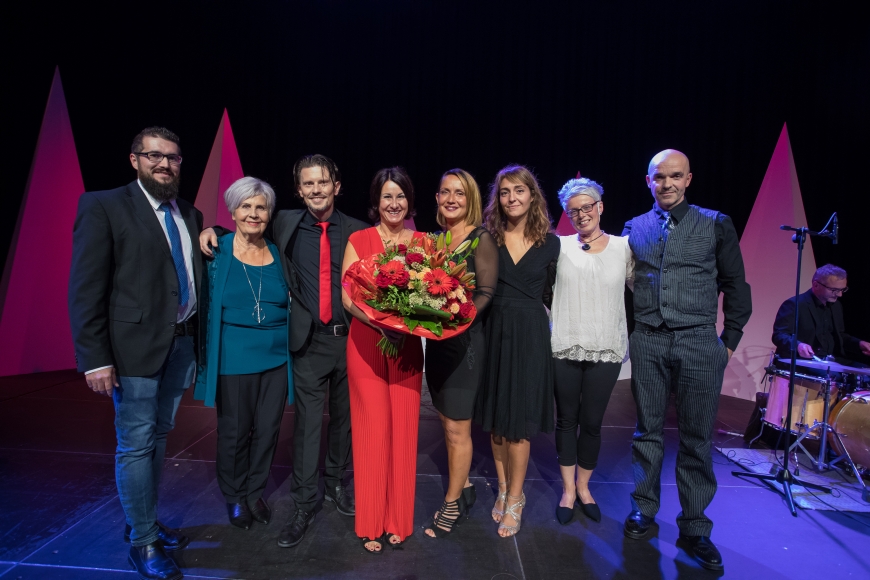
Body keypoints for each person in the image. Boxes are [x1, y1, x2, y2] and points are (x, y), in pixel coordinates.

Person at [200, 155, 366, 548]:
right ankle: (304, 502)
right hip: (308, 342)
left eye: (322, 182)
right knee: (306, 426)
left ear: (337, 186)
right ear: (298, 190)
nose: (316, 189)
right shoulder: (286, 222)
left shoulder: (359, 232)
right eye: (307, 184)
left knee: (343, 421)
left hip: (351, 339)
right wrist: (212, 229)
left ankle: (336, 486)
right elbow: (246, 225)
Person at [69, 127, 201, 580]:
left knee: (158, 438)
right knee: (136, 443)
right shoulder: (103, 205)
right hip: (132, 352)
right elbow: (85, 289)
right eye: (154, 156)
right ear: (134, 160)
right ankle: (143, 544)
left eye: (173, 157)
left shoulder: (190, 212)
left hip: (181, 345)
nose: (164, 164)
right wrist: (94, 358)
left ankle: (142, 522)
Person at [622, 149, 751, 572]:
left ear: (689, 179)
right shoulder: (633, 228)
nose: (667, 184)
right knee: (648, 431)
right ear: (648, 181)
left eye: (675, 176)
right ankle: (644, 507)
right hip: (649, 341)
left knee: (696, 438)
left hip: (698, 341)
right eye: (659, 177)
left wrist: (727, 341)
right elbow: (624, 286)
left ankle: (695, 525)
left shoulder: (715, 223)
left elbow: (736, 286)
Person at [193, 177, 294, 530]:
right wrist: (209, 229)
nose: (253, 213)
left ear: (269, 213)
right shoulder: (215, 250)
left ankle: (254, 492)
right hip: (233, 357)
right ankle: (234, 496)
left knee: (268, 431)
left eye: (260, 207)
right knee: (235, 432)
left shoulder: (281, 251)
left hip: (277, 357)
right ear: (233, 211)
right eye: (245, 206)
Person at [341, 167, 426, 553]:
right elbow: (349, 296)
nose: (394, 203)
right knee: (372, 429)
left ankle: (397, 520)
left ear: (409, 201)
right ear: (376, 202)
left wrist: (404, 324)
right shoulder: (359, 238)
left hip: (406, 346)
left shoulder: (424, 242)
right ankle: (371, 521)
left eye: (400, 196)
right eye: (387, 196)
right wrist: (381, 323)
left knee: (405, 430)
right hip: (367, 343)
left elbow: (428, 296)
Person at [474, 164, 560, 538]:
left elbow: (554, 294)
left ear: (532, 195)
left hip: (529, 334)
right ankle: (503, 486)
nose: (512, 198)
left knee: (520, 423)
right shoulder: (487, 238)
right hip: (494, 330)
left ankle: (517, 497)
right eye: (505, 192)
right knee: (496, 421)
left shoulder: (551, 243)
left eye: (519, 191)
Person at [550, 178, 633, 526]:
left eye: (587, 207)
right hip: (565, 344)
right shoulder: (558, 246)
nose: (581, 214)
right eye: (573, 210)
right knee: (567, 420)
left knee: (593, 423)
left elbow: (643, 288)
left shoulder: (624, 247)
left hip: (606, 347)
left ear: (600, 207)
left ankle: (585, 487)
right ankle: (568, 490)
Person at [423, 169, 498, 538]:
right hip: (436, 346)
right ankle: (465, 486)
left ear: (471, 199)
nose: (451, 199)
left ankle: (451, 503)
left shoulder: (480, 238)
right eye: (445, 192)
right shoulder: (436, 240)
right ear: (437, 198)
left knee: (457, 428)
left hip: (465, 345)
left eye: (460, 193)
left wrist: (459, 320)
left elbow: (485, 292)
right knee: (445, 421)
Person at [772, 264, 870, 362]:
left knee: (864, 373)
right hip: (802, 362)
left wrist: (859, 344)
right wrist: (798, 345)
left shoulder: (836, 306)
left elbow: (839, 337)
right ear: (816, 285)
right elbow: (779, 335)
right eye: (834, 290)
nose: (840, 295)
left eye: (842, 290)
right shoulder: (794, 304)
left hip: (830, 361)